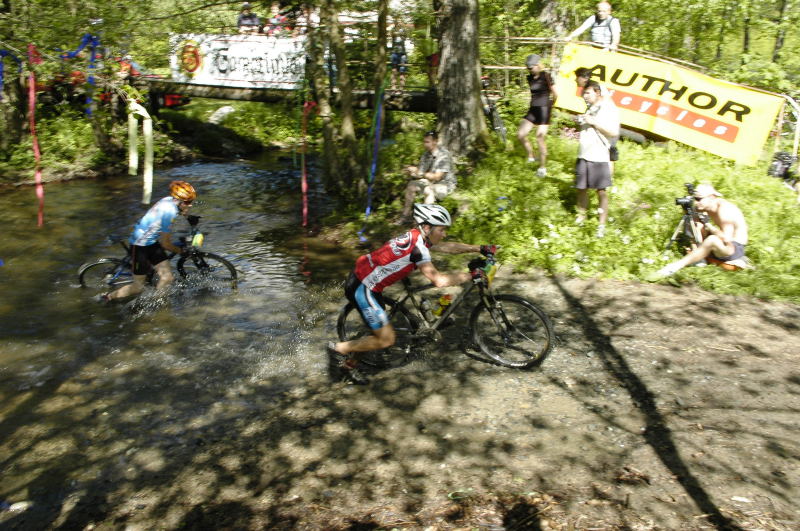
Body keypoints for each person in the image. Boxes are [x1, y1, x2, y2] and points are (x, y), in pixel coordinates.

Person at [327, 204, 493, 385]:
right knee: (385, 339)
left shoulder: (418, 235)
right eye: (442, 229)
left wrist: (479, 248)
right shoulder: (418, 248)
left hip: (368, 281)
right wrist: (471, 275)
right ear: (428, 228)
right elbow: (439, 281)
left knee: (375, 330)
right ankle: (337, 349)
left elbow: (447, 247)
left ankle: (348, 366)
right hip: (362, 286)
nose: (444, 233)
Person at [104, 181, 196, 301]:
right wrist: (181, 251)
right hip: (140, 246)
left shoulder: (169, 200)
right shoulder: (169, 213)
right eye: (188, 202)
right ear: (178, 200)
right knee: (138, 287)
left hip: (150, 242)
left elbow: (181, 210)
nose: (190, 205)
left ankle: (157, 302)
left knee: (167, 278)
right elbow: (166, 244)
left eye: (191, 202)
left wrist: (188, 217)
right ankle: (107, 297)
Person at [653, 184, 749, 278]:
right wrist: (690, 214)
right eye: (695, 199)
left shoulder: (724, 210)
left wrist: (708, 225)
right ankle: (698, 256)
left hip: (734, 248)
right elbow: (693, 225)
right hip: (725, 245)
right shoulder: (707, 206)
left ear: (711, 197)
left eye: (699, 199)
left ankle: (674, 267)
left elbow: (726, 239)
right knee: (696, 222)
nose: (696, 202)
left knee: (712, 239)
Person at [574, 81, 619, 238]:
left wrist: (594, 122)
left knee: (601, 192)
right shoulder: (591, 107)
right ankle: (580, 218)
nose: (584, 96)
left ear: (598, 93)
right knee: (581, 189)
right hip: (583, 154)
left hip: (599, 156)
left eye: (588, 93)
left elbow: (613, 132)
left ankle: (601, 225)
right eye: (584, 93)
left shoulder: (608, 109)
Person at [397, 130, 455, 224]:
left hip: (445, 184)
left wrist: (418, 172)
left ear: (435, 141)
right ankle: (405, 216)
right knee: (411, 185)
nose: (425, 144)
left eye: (427, 142)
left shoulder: (444, 155)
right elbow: (421, 174)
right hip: (430, 182)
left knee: (428, 190)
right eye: (424, 142)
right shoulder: (426, 154)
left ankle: (423, 221)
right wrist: (410, 172)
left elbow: (437, 177)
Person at [517, 54, 557, 177]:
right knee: (520, 134)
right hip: (533, 109)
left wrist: (551, 105)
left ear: (537, 65)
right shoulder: (530, 78)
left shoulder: (546, 76)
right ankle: (531, 155)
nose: (530, 70)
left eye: (531, 67)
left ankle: (542, 168)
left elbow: (556, 93)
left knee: (539, 137)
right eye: (528, 68)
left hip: (545, 109)